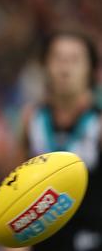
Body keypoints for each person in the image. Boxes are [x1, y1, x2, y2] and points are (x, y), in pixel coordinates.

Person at [20, 30, 102, 251]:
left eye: (75, 59)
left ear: (91, 68)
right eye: (58, 58)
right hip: (44, 241)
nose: (65, 68)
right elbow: (16, 186)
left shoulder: (98, 122)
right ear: (44, 66)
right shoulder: (32, 119)